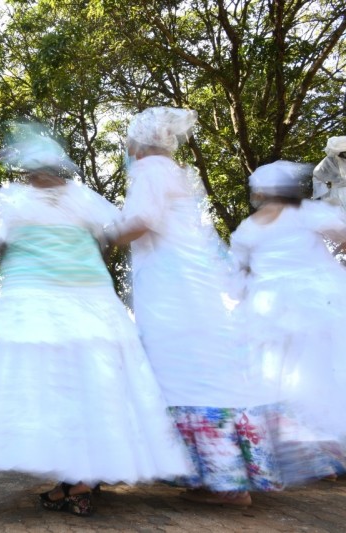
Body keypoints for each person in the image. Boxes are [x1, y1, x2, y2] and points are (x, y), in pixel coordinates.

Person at [0, 123, 191, 517]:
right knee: (89, 389)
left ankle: (76, 481)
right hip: (88, 304)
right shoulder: (84, 198)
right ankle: (79, 480)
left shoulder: (12, 200)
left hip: (38, 308)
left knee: (55, 391)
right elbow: (110, 235)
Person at [110, 106, 284, 507]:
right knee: (202, 372)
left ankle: (225, 484)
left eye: (130, 140)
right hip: (192, 285)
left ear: (141, 142)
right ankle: (223, 477)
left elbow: (141, 220)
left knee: (182, 371)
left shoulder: (150, 170)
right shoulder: (175, 171)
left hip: (173, 291)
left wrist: (104, 232)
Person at [230, 160, 346, 474]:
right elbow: (342, 234)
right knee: (324, 373)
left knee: (276, 377)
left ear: (260, 193)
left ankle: (287, 447)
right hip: (316, 302)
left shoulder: (248, 228)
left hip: (268, 309)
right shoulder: (306, 213)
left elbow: (237, 274)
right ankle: (326, 442)